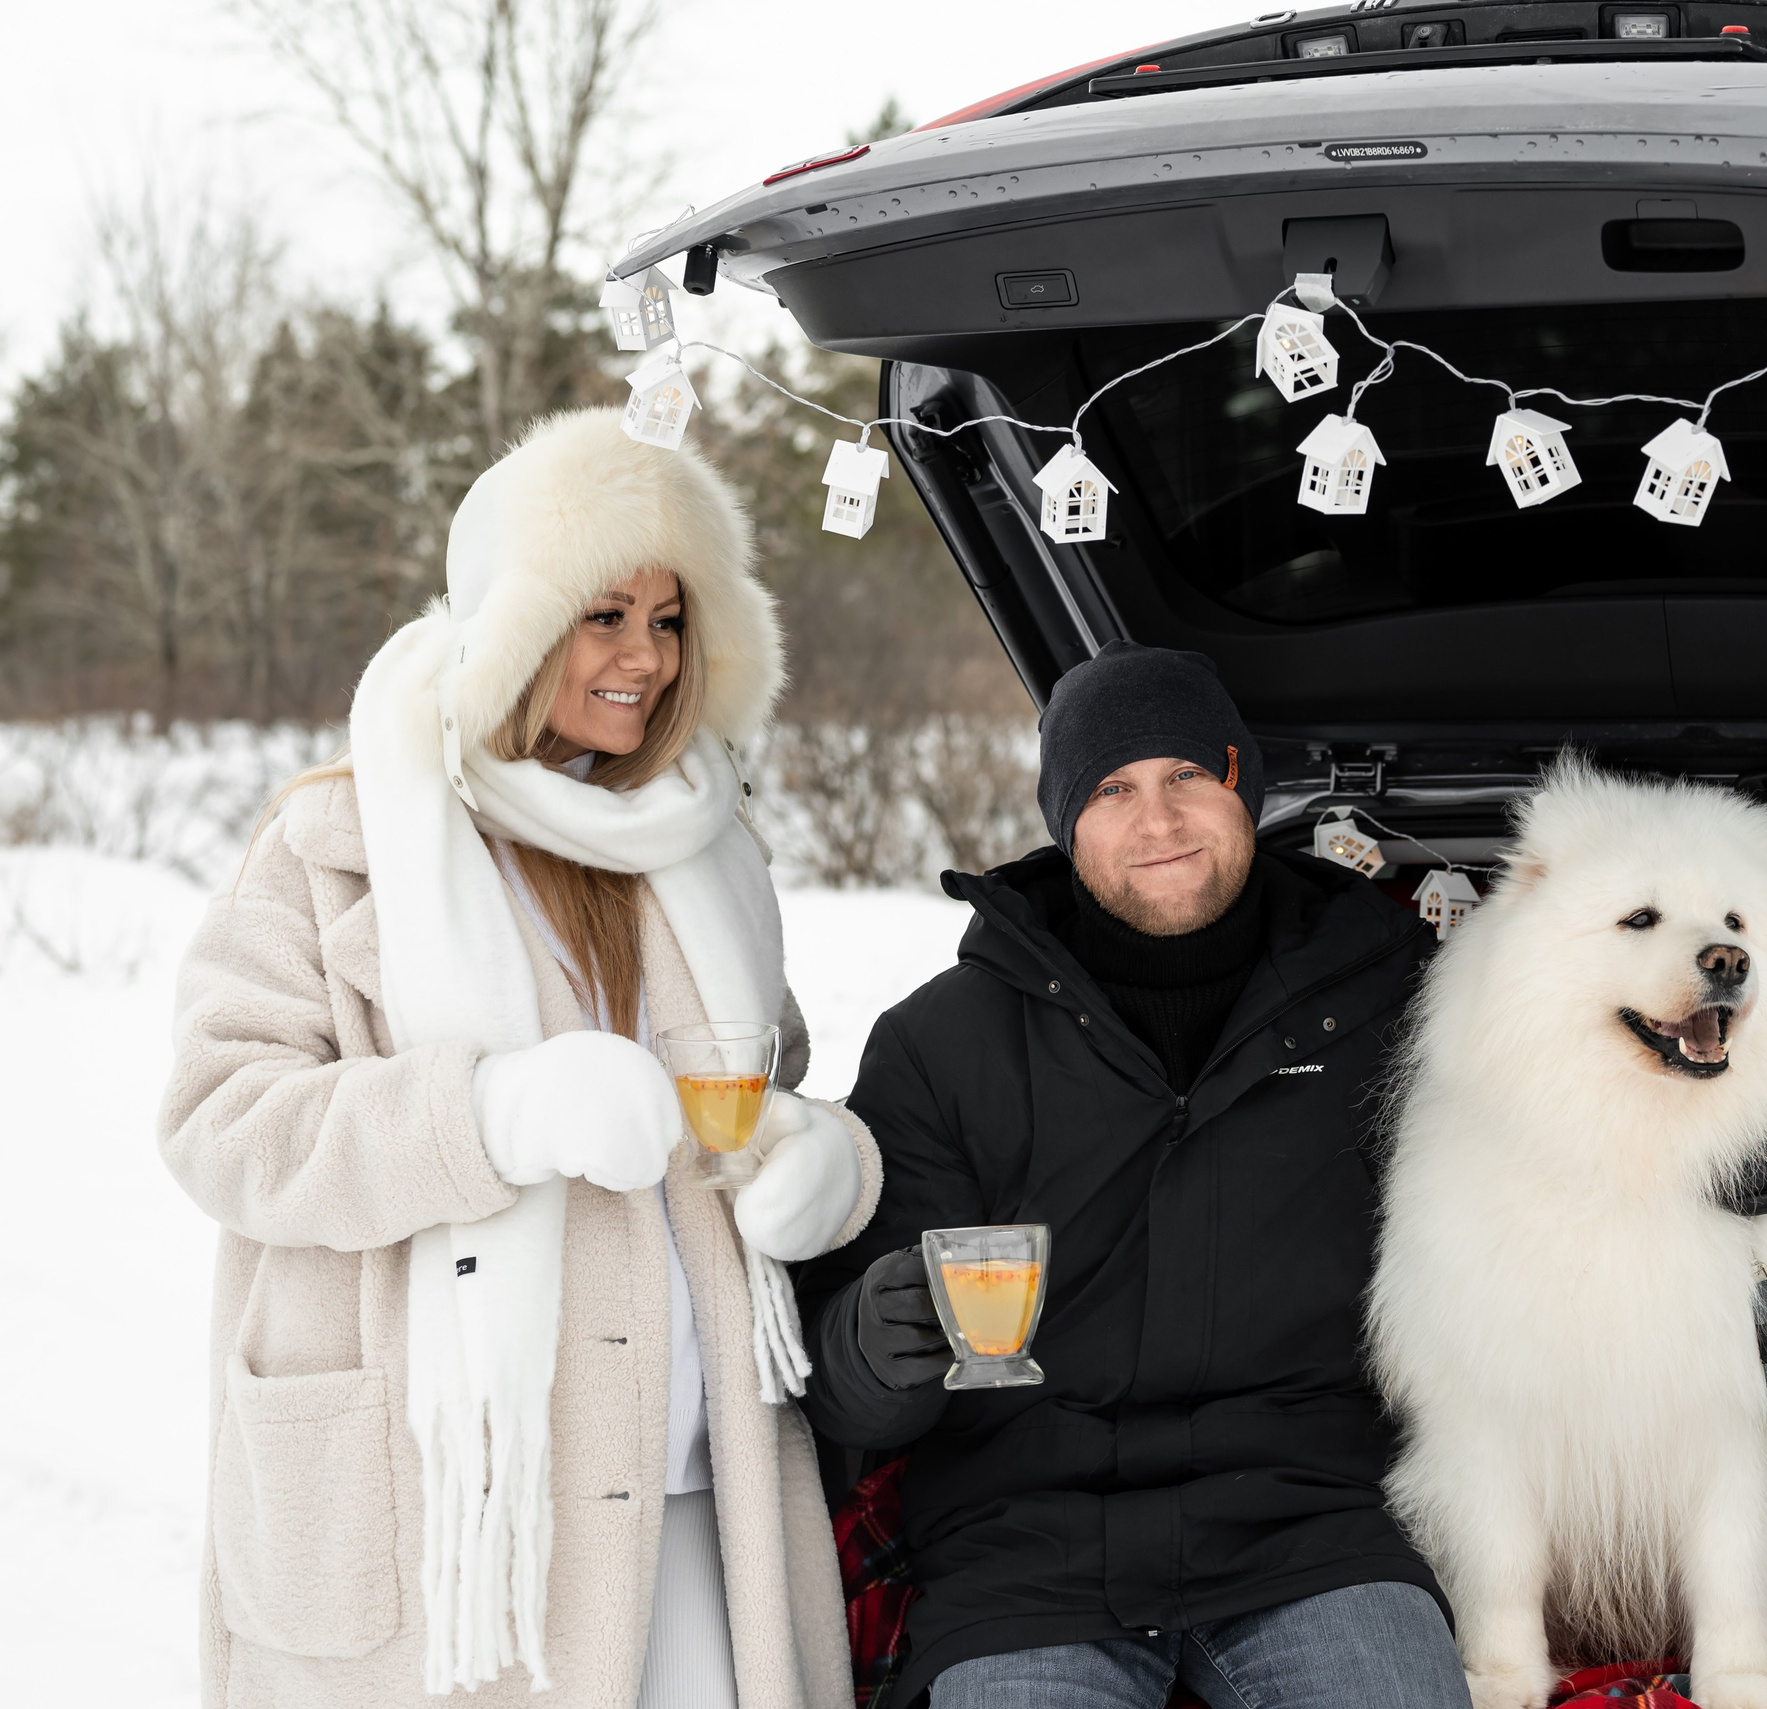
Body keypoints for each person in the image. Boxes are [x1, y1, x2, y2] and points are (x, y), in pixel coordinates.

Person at [161, 408, 877, 1708]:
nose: (645, 660)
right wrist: (487, 1121)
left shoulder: (703, 850)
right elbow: (224, 1122)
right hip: (459, 1503)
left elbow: (757, 1094)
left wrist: (818, 1159)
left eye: (668, 621)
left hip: (697, 1490)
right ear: (516, 615)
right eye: (604, 615)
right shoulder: (343, 842)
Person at [796, 640, 1472, 1709]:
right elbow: (844, 1394)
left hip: (1311, 1528)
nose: (1157, 822)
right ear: (1067, 823)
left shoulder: (1384, 996)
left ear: (1242, 786)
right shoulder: (940, 1042)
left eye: (1187, 777)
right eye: (1112, 789)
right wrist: (871, 1352)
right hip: (1027, 1553)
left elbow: (1575, 1129)